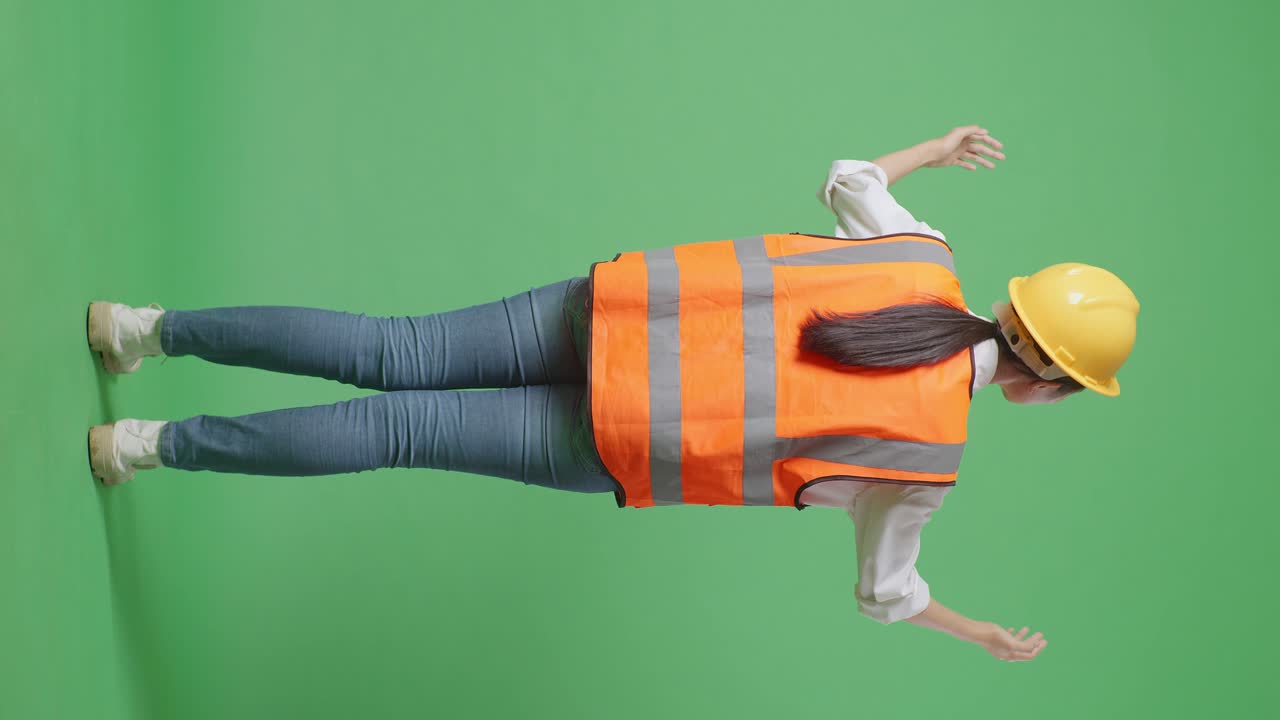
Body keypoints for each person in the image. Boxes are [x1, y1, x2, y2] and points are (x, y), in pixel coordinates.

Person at [86, 125, 1139, 663]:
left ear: (1016, 303)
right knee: (395, 428)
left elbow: (849, 172)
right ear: (1049, 387)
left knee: (386, 348)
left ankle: (139, 329)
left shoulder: (923, 256)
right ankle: (140, 444)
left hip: (611, 311)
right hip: (613, 437)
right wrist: (976, 632)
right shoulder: (922, 467)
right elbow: (884, 597)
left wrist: (937, 152)